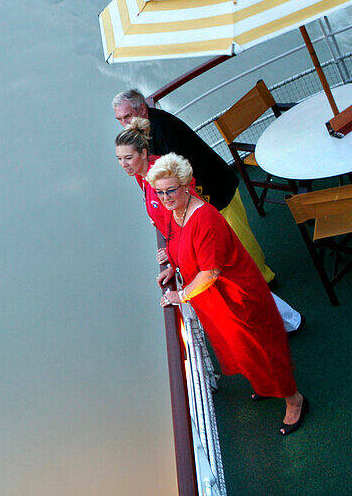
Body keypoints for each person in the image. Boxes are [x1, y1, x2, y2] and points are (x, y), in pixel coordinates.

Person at [149, 153, 308, 435]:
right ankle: (267, 386)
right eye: (160, 191)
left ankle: (294, 400)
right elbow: (178, 245)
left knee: (263, 349)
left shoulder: (204, 218)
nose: (165, 196)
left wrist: (181, 295)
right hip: (217, 301)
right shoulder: (176, 214)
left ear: (187, 185)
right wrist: (174, 266)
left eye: (171, 189)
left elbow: (210, 273)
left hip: (238, 298)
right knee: (244, 351)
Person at [115, 119, 300, 333]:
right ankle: (277, 325)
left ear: (144, 153)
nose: (124, 164)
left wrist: (181, 264)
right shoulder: (143, 177)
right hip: (194, 242)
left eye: (129, 157)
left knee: (239, 284)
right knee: (235, 288)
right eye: (119, 158)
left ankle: (290, 321)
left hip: (202, 240)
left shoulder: (161, 177)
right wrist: (173, 258)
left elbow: (184, 212)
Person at [112, 88, 275, 283]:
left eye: (127, 116)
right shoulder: (146, 131)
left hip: (215, 189)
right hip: (208, 191)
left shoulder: (162, 129)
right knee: (229, 241)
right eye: (120, 120)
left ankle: (264, 279)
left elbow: (177, 175)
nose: (124, 124)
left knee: (238, 239)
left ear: (142, 110)